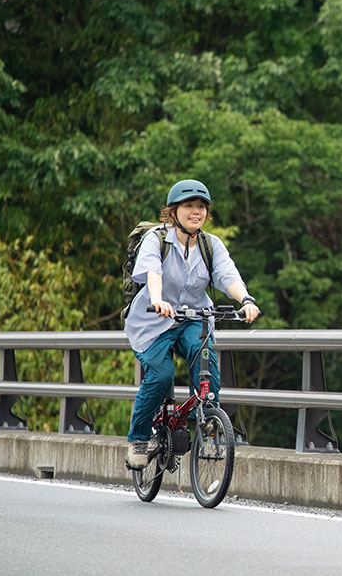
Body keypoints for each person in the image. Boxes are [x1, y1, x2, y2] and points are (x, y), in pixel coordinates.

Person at [124, 179, 260, 468]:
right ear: (173, 212)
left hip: (194, 318)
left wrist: (246, 300)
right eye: (189, 206)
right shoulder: (156, 240)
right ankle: (138, 439)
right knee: (161, 375)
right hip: (153, 321)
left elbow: (227, 276)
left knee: (206, 368)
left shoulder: (211, 245)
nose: (196, 211)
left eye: (201, 206)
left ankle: (208, 427)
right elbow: (152, 272)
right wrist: (158, 300)